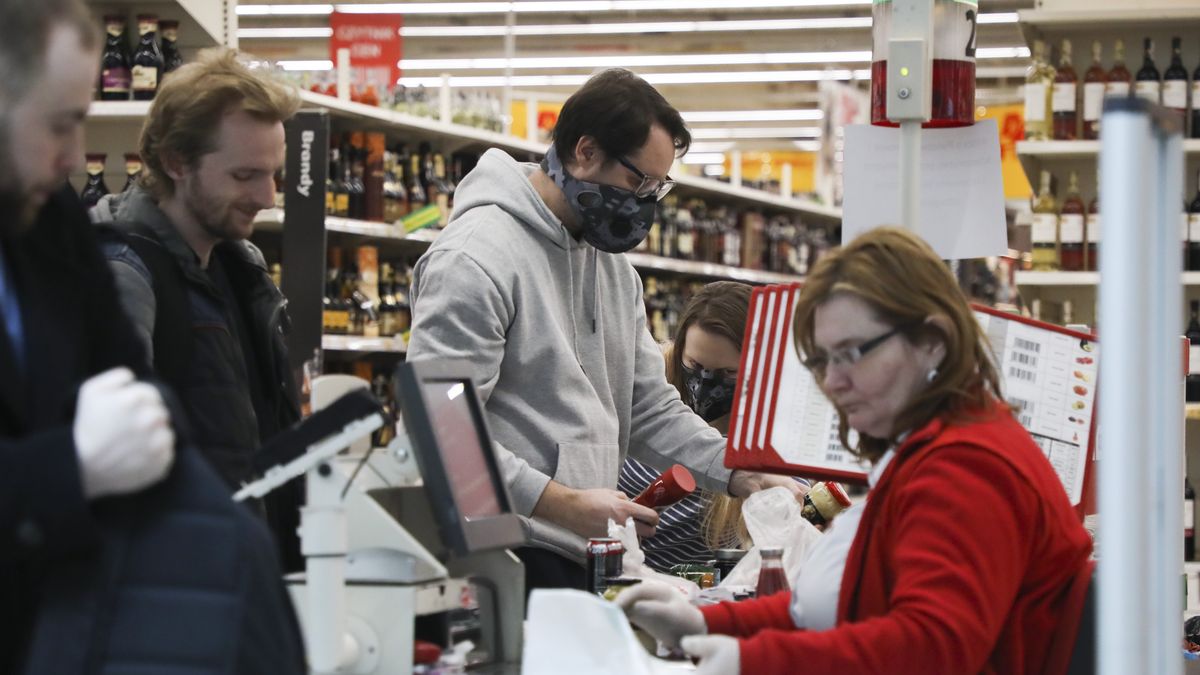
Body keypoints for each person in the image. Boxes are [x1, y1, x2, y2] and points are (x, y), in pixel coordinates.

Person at [618, 227, 1093, 675]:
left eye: (853, 353)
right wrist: (708, 624)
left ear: (932, 341)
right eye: (822, 361)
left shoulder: (966, 466)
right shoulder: (926, 448)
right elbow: (843, 602)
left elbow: (931, 648)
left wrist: (754, 657)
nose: (834, 382)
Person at [406, 68, 801, 590]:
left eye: (657, 189)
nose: (644, 204)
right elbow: (442, 431)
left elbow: (648, 407)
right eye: (638, 182)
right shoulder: (474, 260)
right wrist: (562, 504)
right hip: (503, 555)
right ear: (585, 152)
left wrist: (737, 472)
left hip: (591, 548)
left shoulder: (613, 270)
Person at [0, 2, 303, 673]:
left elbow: (148, 407)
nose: (76, 156)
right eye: (61, 123)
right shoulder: (127, 263)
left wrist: (249, 579)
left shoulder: (52, 228)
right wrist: (69, 466)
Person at [92, 48, 304, 567]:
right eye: (245, 175)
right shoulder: (125, 273)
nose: (268, 196)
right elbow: (110, 463)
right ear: (175, 162)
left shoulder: (240, 267)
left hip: (249, 578)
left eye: (274, 174)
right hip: (180, 589)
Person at [618, 281, 753, 571]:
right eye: (693, 363)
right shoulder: (643, 393)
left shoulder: (769, 436)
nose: (705, 383)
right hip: (615, 577)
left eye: (728, 373)